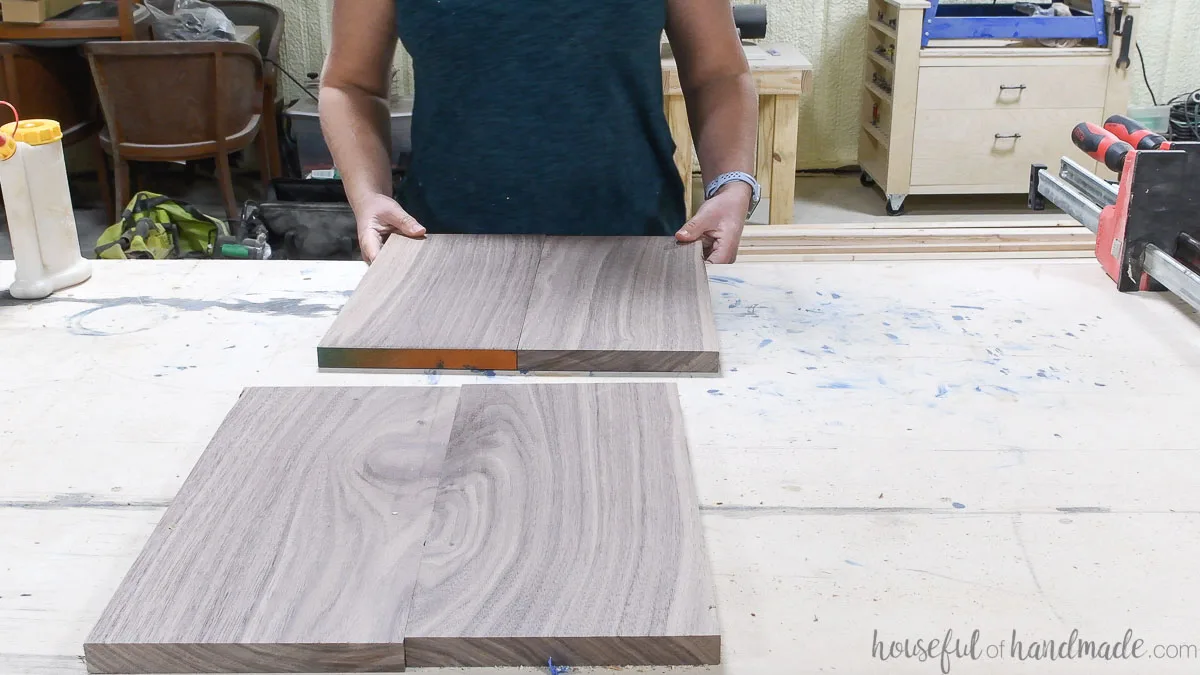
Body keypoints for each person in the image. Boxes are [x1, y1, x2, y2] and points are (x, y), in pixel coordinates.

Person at [319, 0, 759, 265]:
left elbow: (717, 74)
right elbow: (350, 85)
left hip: (634, 249)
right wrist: (369, 195)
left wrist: (731, 184)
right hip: (443, 249)